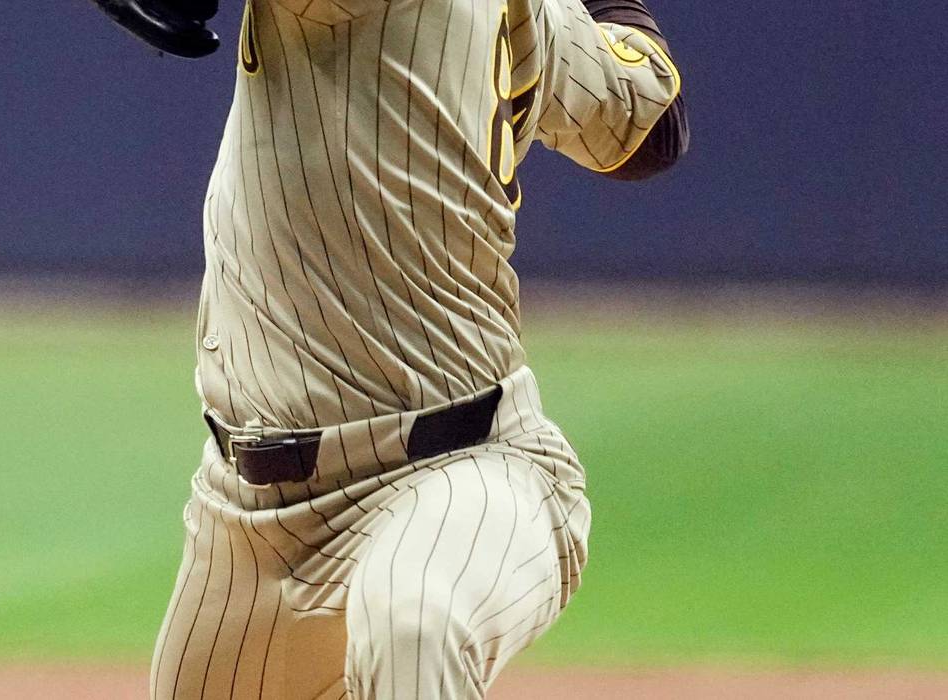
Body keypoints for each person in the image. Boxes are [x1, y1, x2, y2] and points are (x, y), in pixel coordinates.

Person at [90, 0, 689, 696]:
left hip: (454, 473)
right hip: (245, 522)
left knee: (415, 626)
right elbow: (647, 119)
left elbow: (651, 129)